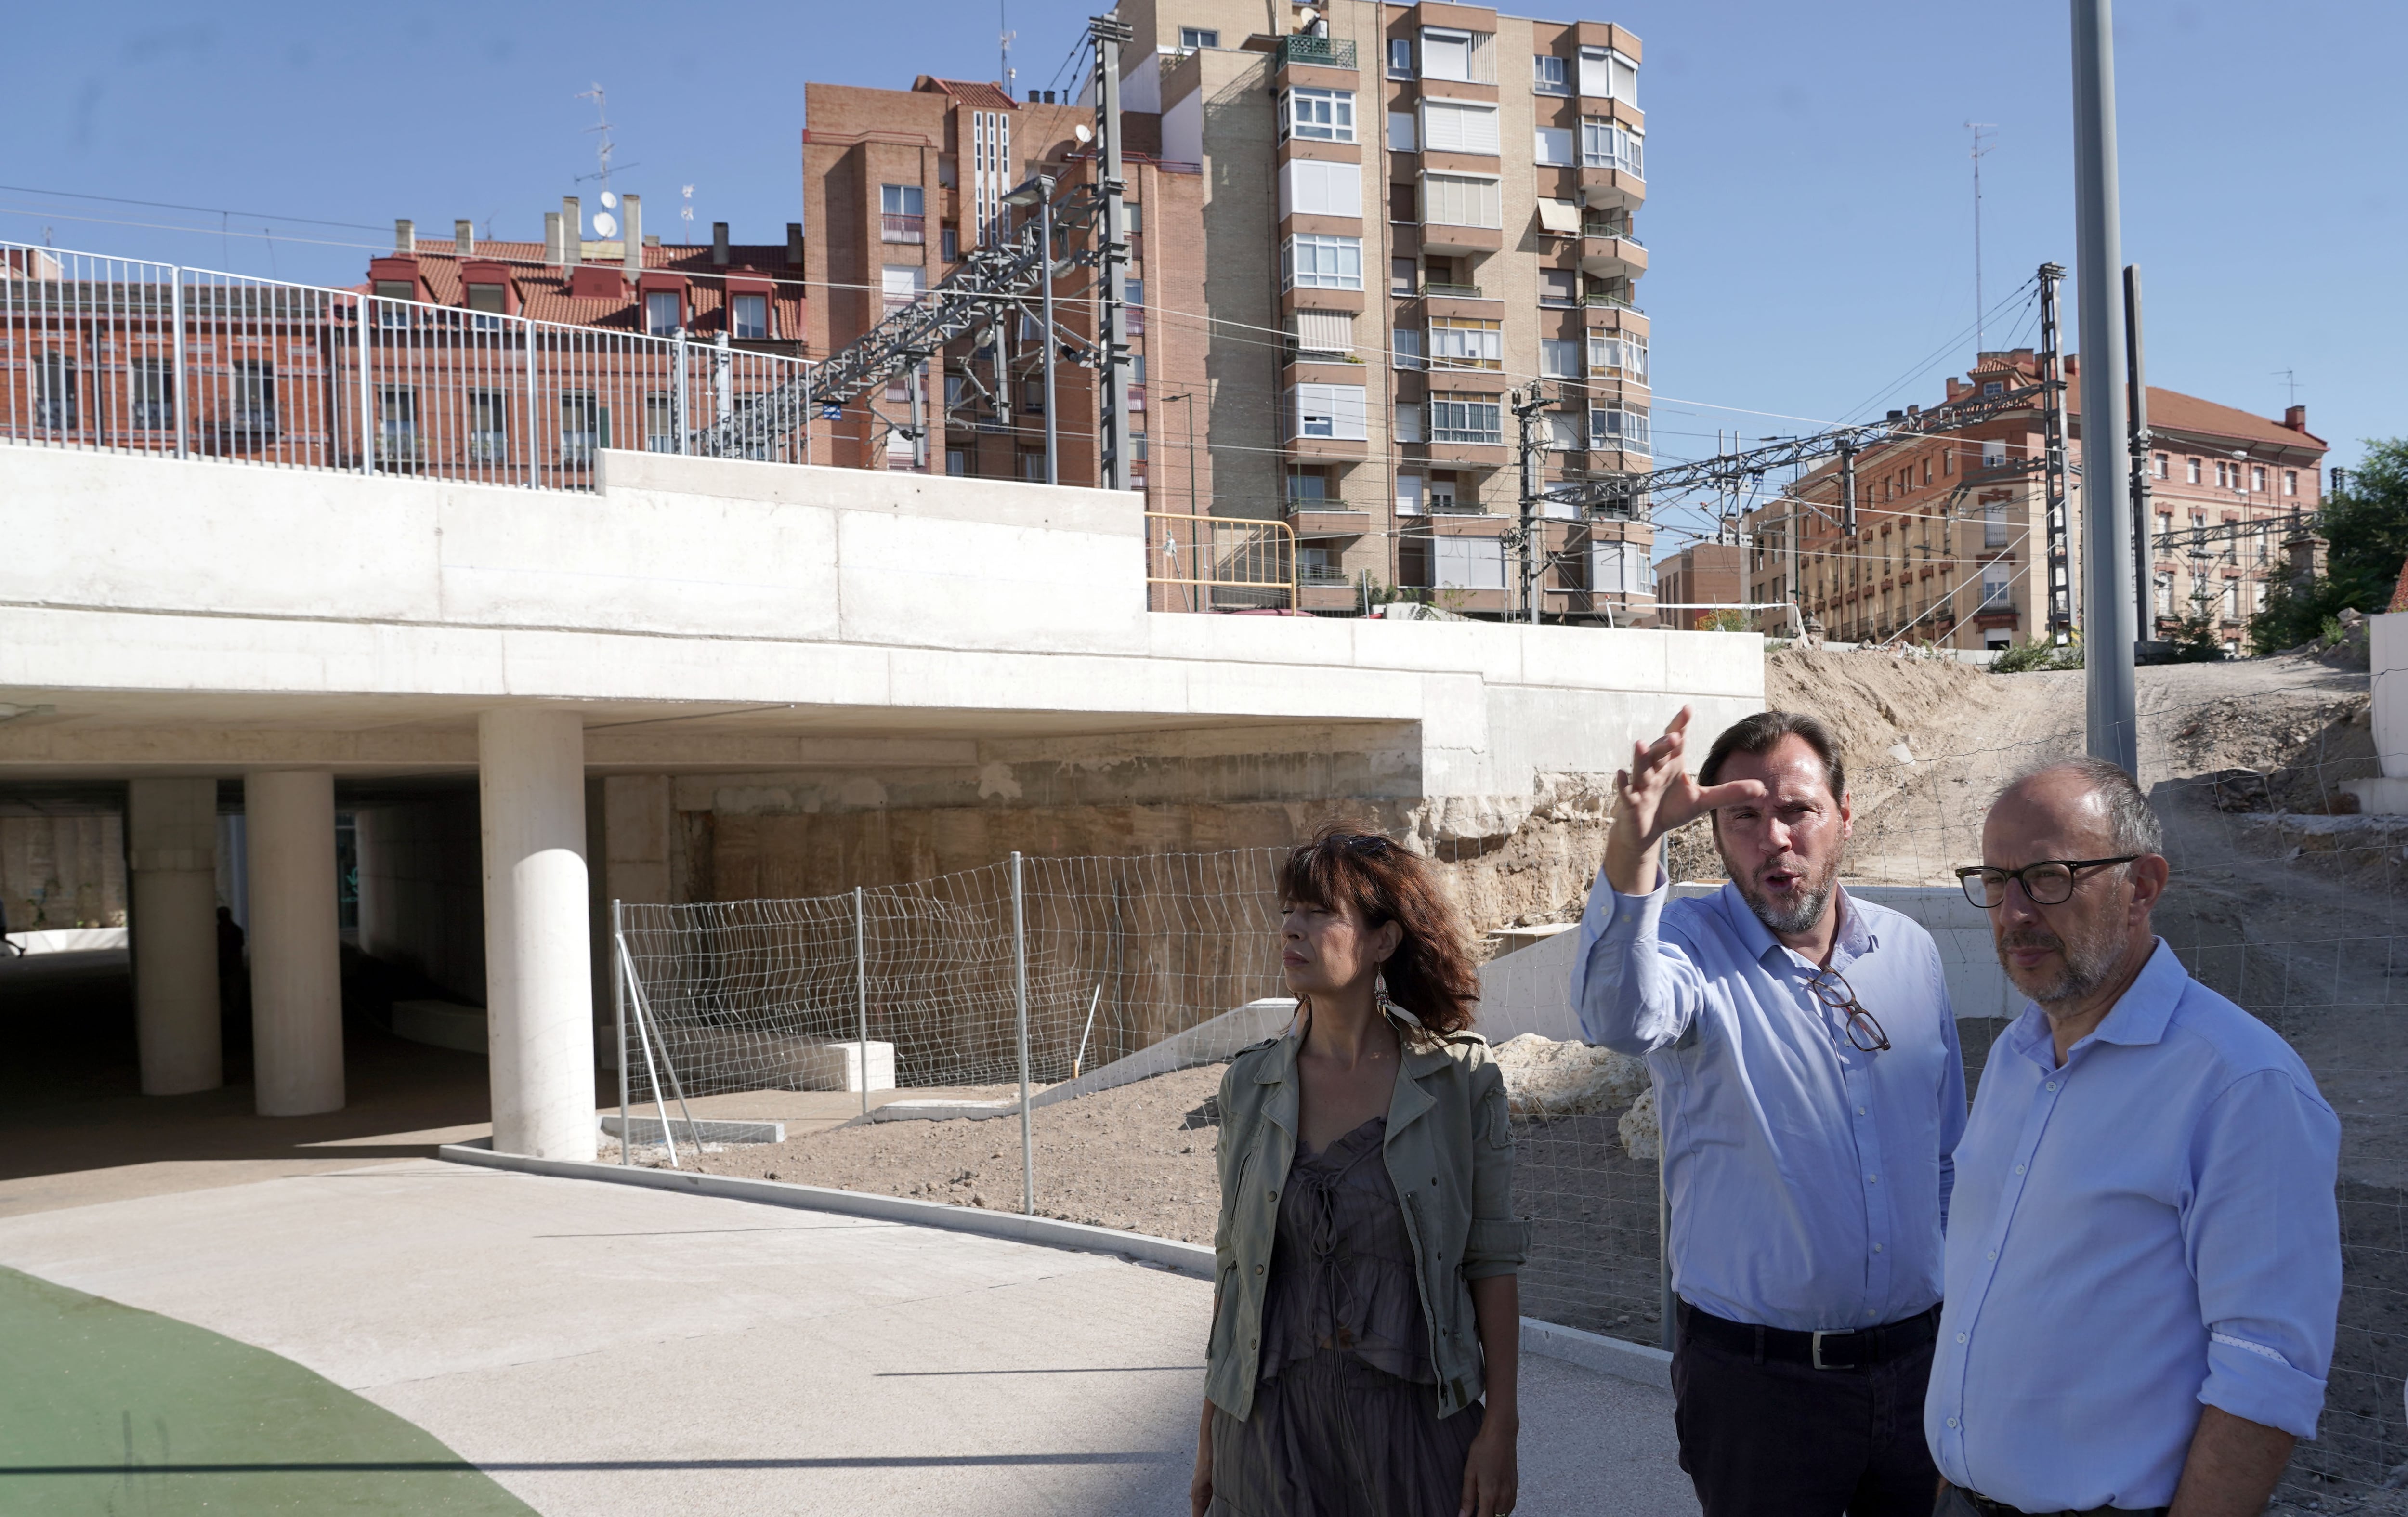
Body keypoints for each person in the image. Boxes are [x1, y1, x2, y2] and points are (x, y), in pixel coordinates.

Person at [1571, 707, 1965, 1517]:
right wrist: (1635, 844)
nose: (1774, 839)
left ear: (1844, 817)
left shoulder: (1911, 953)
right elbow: (1618, 1015)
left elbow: (1947, 1158)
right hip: (1760, 1392)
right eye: (1744, 816)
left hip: (1920, 1373)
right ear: (1714, 832)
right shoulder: (1685, 948)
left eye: (1797, 810)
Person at [1930, 758, 2340, 1516]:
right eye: (1996, 879)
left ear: (2143, 886)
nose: (2013, 910)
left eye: (2049, 876)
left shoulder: (2240, 1084)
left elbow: (2268, 1364)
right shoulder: (2018, 1059)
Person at [1192, 825, 1527, 1517]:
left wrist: (1502, 1426)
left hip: (1415, 1431)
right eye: (1290, 908)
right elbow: (1236, 1271)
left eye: (1320, 911)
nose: (1292, 925)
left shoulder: (1459, 1083)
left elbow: (1490, 1261)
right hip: (1269, 1436)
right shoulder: (1249, 1086)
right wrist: (1209, 1441)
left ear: (1383, 939)